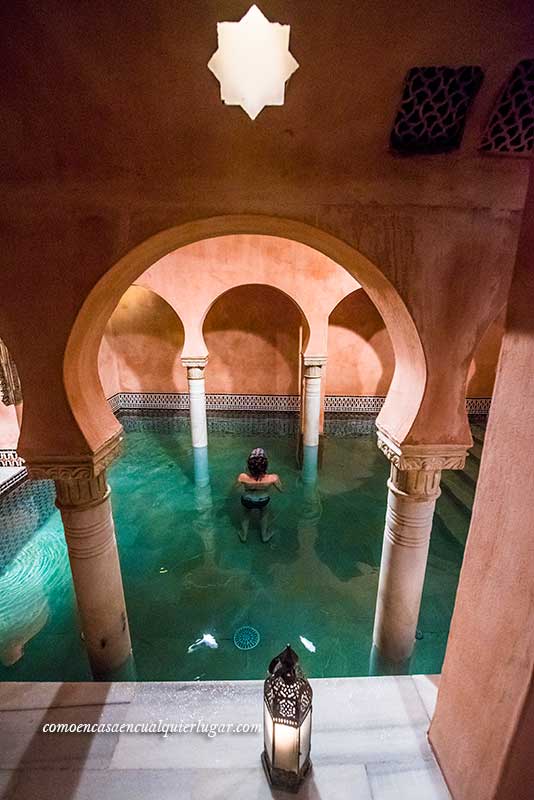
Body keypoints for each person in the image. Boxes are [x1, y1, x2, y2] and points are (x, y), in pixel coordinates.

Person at [237, 448, 283, 543]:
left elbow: (235, 489)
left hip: (247, 500)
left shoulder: (242, 477)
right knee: (264, 513)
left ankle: (243, 535)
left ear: (249, 465)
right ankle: (264, 536)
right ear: (265, 465)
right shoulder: (273, 478)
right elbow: (281, 490)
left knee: (246, 514)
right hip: (263, 500)